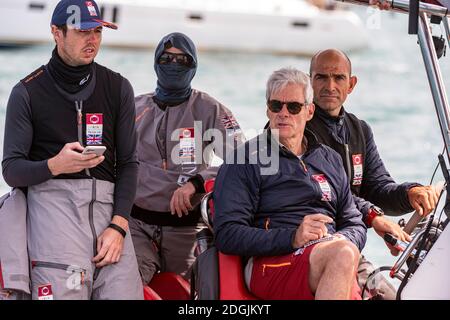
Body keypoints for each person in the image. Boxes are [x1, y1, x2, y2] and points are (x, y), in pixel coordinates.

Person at [1, 0, 143, 300]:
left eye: (98, 31)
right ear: (57, 32)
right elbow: (11, 170)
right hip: (53, 214)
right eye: (82, 32)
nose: (92, 39)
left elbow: (129, 163)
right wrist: (54, 165)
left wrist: (118, 226)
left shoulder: (118, 87)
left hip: (109, 218)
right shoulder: (26, 92)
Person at [213, 67, 367, 300]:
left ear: (310, 111)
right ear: (268, 110)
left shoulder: (329, 159)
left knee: (349, 254)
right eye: (277, 106)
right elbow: (227, 234)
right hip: (269, 264)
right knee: (343, 255)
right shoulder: (244, 159)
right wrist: (293, 237)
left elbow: (354, 221)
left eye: (293, 107)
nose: (283, 113)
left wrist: (342, 239)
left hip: (329, 253)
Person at [307, 49, 440, 298]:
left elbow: (378, 187)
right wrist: (374, 217)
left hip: (351, 242)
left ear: (352, 84)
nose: (330, 85)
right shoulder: (299, 129)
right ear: (310, 81)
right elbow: (331, 192)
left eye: (338, 78)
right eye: (321, 77)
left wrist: (411, 193)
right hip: (318, 242)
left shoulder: (359, 130)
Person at [129, 32, 245, 285]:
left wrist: (198, 182)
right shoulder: (134, 108)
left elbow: (244, 160)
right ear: (156, 62)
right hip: (136, 226)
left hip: (185, 230)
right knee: (126, 286)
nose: (173, 65)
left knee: (186, 290)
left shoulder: (208, 109)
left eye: (182, 60)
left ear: (193, 65)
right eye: (167, 58)